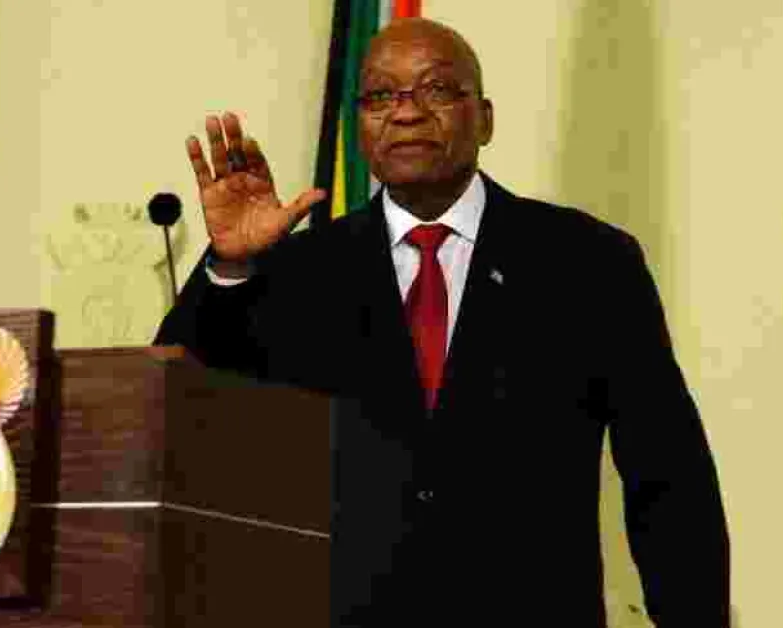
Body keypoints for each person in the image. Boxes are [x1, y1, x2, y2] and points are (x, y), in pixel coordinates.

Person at [155, 17, 730, 627]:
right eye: (381, 95)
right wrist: (231, 267)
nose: (407, 112)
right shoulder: (300, 270)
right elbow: (170, 413)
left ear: (484, 119)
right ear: (360, 124)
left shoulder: (587, 262)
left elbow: (668, 474)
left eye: (435, 89)